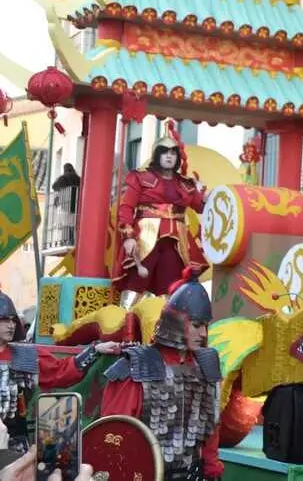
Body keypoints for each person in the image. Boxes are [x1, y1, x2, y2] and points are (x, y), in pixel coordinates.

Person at [99, 266, 223, 481]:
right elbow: (115, 435)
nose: (203, 333)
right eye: (196, 325)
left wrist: (212, 468)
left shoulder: (207, 364)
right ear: (176, 324)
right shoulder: (138, 366)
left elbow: (211, 427)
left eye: (205, 325)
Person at [0, 288, 119, 455]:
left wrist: (94, 350)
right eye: (4, 320)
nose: (11, 325)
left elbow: (61, 371)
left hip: (14, 443)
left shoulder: (25, 356)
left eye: (13, 320)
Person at [113, 135, 207, 303]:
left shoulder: (186, 184)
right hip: (145, 237)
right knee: (136, 283)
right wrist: (128, 236)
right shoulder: (140, 178)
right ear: (156, 155)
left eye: (173, 152)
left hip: (176, 241)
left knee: (171, 287)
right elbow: (126, 208)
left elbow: (202, 207)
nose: (169, 156)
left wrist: (203, 193)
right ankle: (123, 317)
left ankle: (165, 319)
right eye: (164, 152)